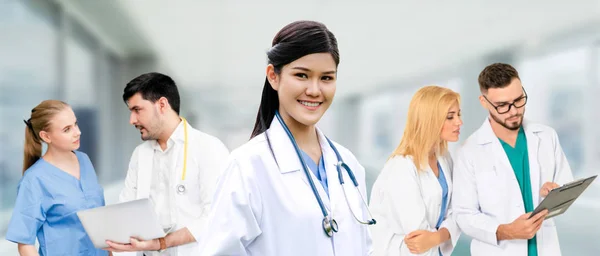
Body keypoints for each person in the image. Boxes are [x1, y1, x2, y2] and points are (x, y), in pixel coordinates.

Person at [198, 20, 373, 256]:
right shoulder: (248, 167)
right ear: (273, 76)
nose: (314, 90)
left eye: (327, 78)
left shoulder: (348, 165)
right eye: (302, 75)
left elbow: (365, 248)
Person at [452, 63, 574, 256]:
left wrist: (553, 191)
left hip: (545, 248)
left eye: (519, 100)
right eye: (502, 106)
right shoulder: (469, 151)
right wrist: (506, 231)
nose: (514, 110)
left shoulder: (546, 136)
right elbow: (464, 214)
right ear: (484, 102)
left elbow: (567, 185)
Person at [105, 72, 230, 256]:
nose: (132, 120)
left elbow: (217, 216)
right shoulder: (140, 155)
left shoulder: (209, 148)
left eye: (137, 110)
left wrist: (161, 243)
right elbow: (127, 212)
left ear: (162, 104)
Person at [5, 100, 109, 256]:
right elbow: (25, 244)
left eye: (75, 124)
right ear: (46, 136)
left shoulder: (84, 160)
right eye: (67, 129)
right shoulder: (34, 180)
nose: (77, 132)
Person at [369, 86, 463, 256]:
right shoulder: (401, 167)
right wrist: (442, 235)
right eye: (450, 117)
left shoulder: (444, 158)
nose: (459, 122)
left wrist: (436, 237)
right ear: (430, 120)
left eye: (458, 114)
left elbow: (458, 212)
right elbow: (418, 240)